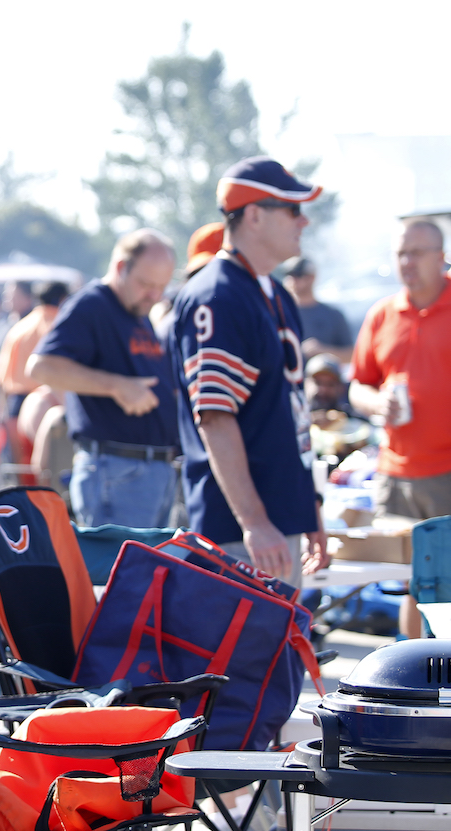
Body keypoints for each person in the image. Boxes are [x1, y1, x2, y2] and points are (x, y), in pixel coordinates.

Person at [169, 156, 328, 585]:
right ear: (254, 215)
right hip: (241, 528)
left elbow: (290, 412)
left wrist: (306, 505)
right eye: (292, 210)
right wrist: (254, 521)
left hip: (277, 518)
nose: (303, 222)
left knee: (279, 650)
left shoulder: (275, 291)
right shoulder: (217, 294)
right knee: (245, 652)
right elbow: (216, 418)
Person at [27, 230, 180, 528]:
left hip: (148, 471)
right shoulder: (93, 305)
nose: (155, 296)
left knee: (144, 574)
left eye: (161, 287)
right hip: (118, 471)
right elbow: (41, 367)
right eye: (147, 284)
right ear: (121, 267)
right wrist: (116, 386)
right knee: (121, 574)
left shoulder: (136, 309)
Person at [349, 218, 451, 636]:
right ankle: (415, 681)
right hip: (397, 474)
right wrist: (378, 402)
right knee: (414, 586)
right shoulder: (382, 315)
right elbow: (358, 386)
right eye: (401, 253)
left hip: (447, 471)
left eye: (417, 252)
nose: (407, 262)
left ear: (442, 257)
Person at [0, 281, 70, 423]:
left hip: (16, 405)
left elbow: (2, 378)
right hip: (50, 403)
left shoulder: (19, 328)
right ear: (63, 299)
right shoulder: (62, 327)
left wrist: (1, 412)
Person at [284, 257, 355, 364]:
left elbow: (352, 356)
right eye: (289, 275)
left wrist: (323, 351)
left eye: (298, 275)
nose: (293, 280)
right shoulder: (280, 314)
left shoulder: (333, 315)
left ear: (312, 277)